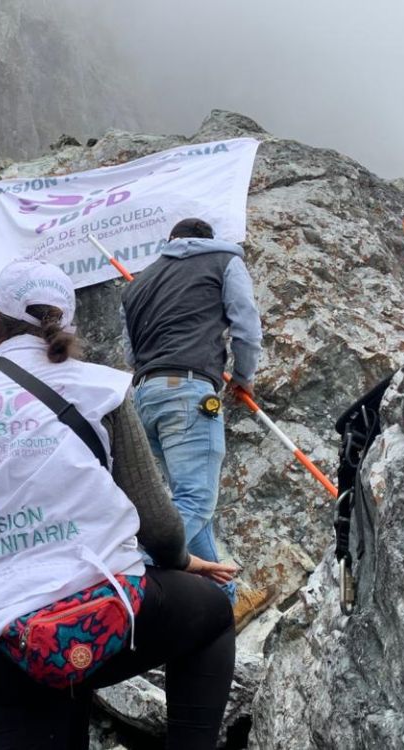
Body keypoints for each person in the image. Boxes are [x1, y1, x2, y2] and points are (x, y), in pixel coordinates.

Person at [0, 260, 238, 749]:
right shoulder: (100, 386)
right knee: (208, 613)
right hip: (94, 615)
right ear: (67, 321)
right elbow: (158, 525)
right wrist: (181, 562)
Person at [120, 217, 269, 626]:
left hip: (143, 396)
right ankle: (125, 574)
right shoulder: (223, 260)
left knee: (187, 499)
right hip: (188, 392)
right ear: (207, 241)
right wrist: (243, 377)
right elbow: (246, 323)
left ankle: (227, 597)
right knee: (196, 500)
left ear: (171, 242)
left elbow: (130, 353)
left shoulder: (138, 284)